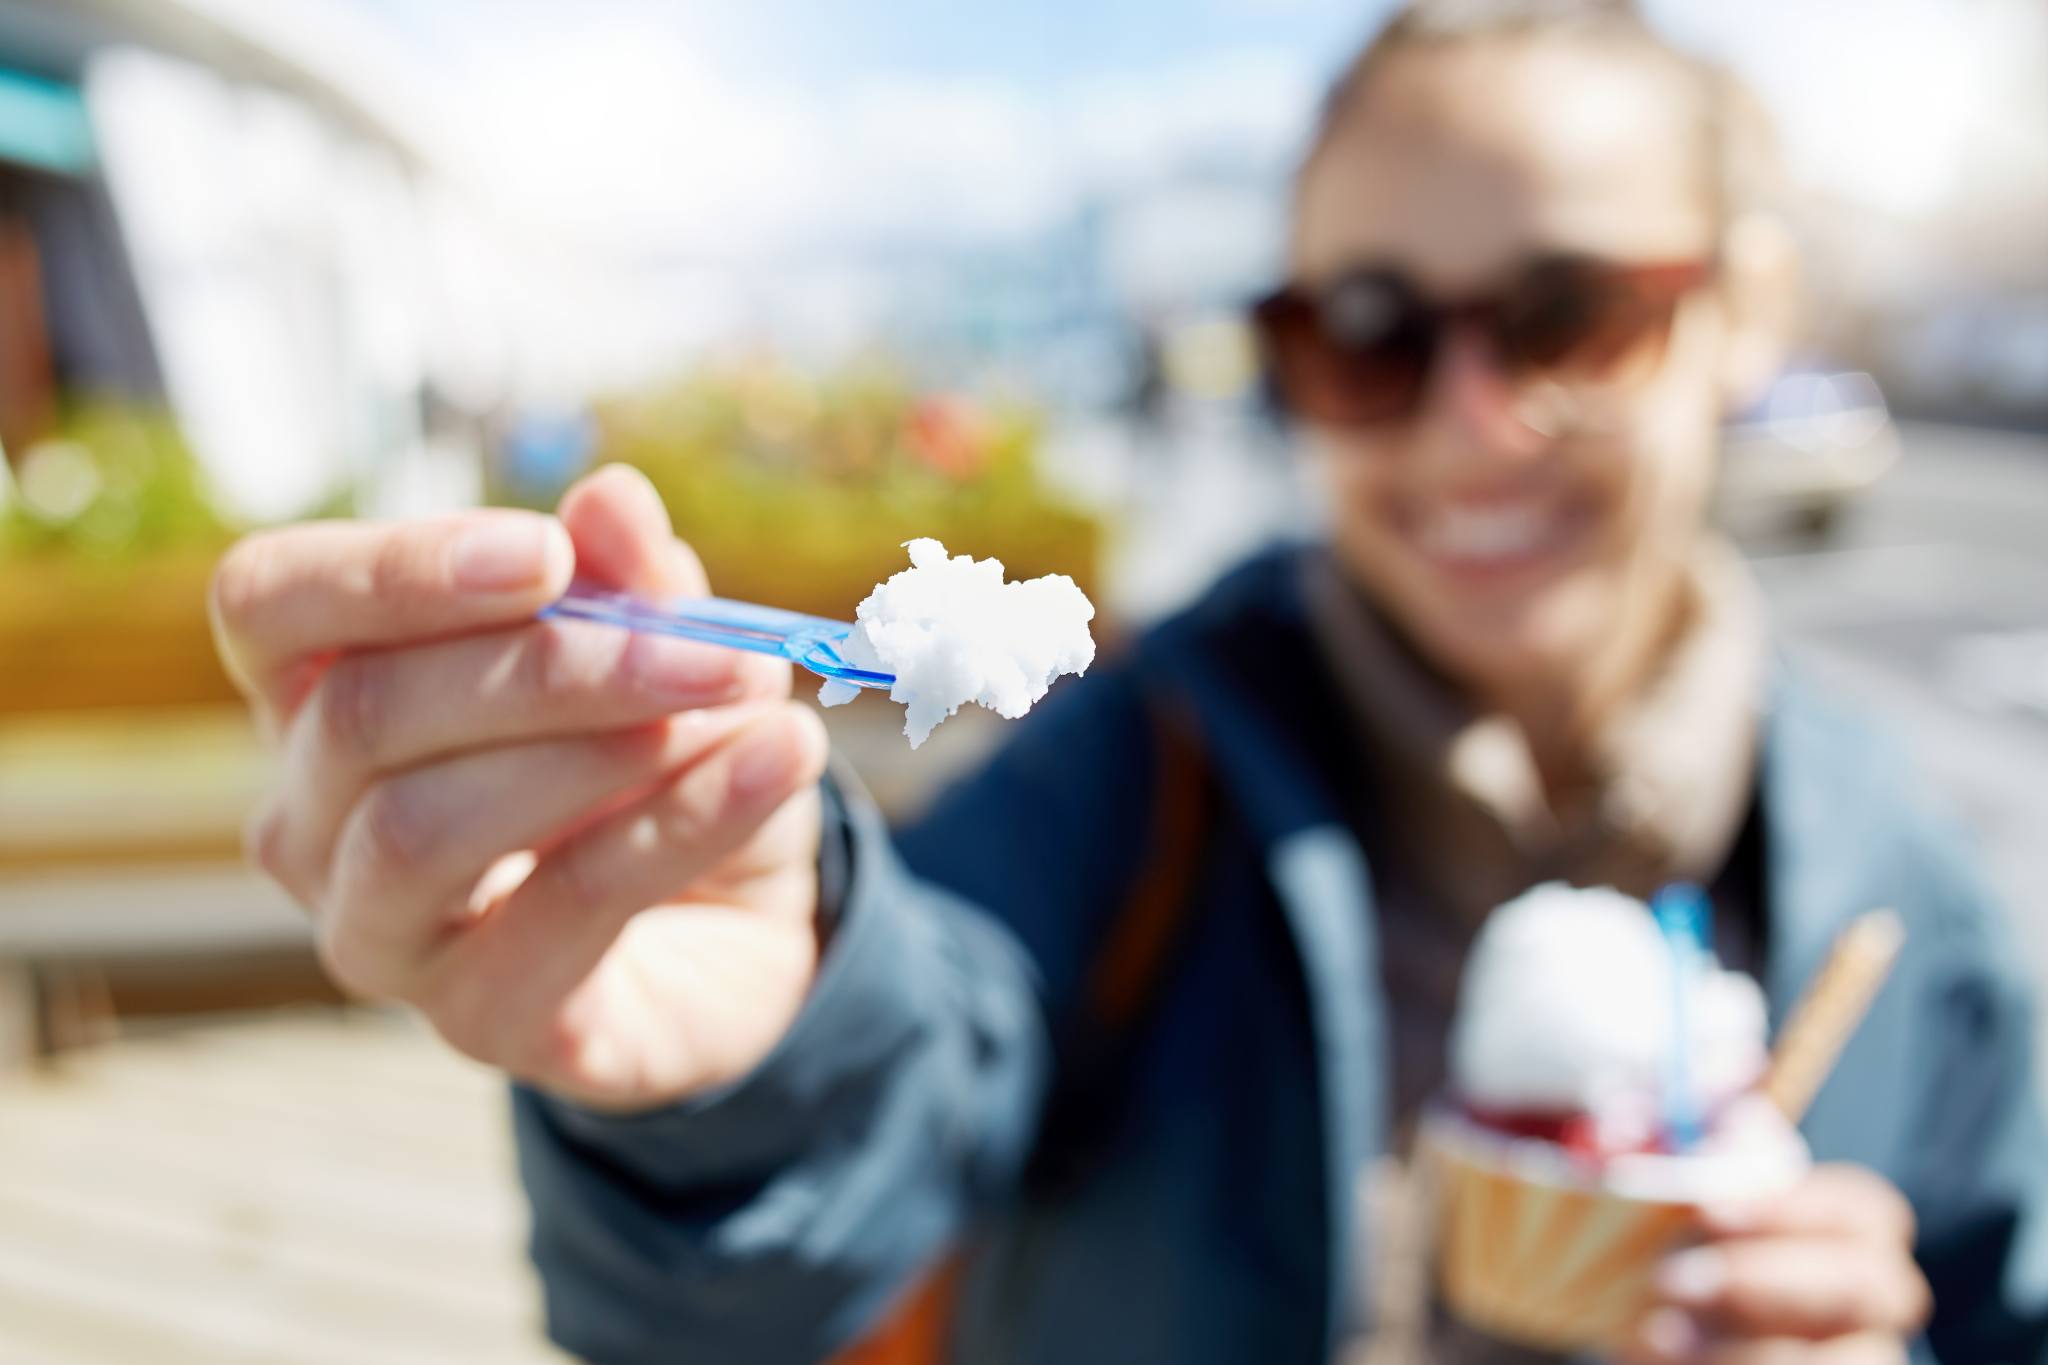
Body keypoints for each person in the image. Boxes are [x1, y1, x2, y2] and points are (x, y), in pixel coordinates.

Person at [210, 2, 2047, 1361]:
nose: (1474, 423)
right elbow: (887, 1100)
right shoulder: (1139, 773)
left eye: (1569, 314)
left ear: (1743, 316)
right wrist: (746, 1067)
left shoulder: (1908, 883)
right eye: (1366, 334)